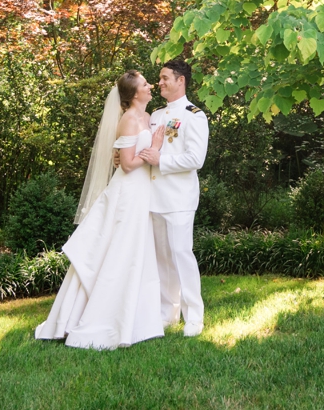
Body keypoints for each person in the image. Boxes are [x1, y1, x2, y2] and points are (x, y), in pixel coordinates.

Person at [34, 70, 164, 349]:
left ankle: (135, 317)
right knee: (117, 252)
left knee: (132, 252)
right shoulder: (129, 120)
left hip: (142, 191)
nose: (150, 85)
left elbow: (126, 157)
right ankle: (97, 317)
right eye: (145, 84)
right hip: (127, 193)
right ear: (133, 94)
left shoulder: (149, 117)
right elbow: (127, 165)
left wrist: (152, 150)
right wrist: (153, 149)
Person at [138, 59, 209, 337]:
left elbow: (195, 159)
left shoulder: (194, 115)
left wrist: (161, 159)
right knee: (162, 259)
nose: (160, 82)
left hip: (179, 198)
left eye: (166, 78)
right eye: (159, 78)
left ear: (181, 80)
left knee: (181, 255)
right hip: (153, 197)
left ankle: (194, 317)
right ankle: (167, 313)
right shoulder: (155, 114)